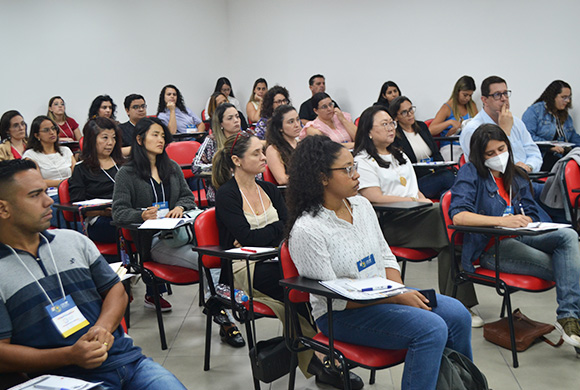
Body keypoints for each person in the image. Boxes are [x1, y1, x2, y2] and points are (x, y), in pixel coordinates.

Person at [286, 135, 472, 390]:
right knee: (431, 329)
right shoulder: (308, 229)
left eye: (355, 166)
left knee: (458, 314)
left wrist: (400, 291)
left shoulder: (361, 205)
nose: (356, 175)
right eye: (347, 169)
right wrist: (395, 298)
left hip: (383, 297)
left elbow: (385, 254)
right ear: (322, 177)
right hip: (340, 314)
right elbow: (335, 298)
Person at [0, 159, 187, 390]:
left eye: (44, 192)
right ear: (3, 209)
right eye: (34, 195)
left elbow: (116, 290)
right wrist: (70, 355)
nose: (49, 200)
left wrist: (102, 328)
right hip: (65, 378)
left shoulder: (74, 241)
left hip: (127, 361)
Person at [449, 123, 580, 349]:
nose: (498, 156)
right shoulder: (470, 172)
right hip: (492, 248)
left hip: (521, 236)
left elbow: (530, 211)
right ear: (480, 157)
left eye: (501, 149)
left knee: (568, 236)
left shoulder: (516, 174)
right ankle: (570, 321)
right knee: (568, 266)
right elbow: (459, 216)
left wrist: (527, 219)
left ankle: (568, 317)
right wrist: (502, 221)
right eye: (490, 153)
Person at [353, 105, 480, 325]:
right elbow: (373, 197)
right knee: (448, 225)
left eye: (391, 123)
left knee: (450, 240)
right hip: (390, 223)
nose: (391, 128)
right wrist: (414, 201)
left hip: (418, 217)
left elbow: (415, 190)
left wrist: (418, 199)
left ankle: (457, 305)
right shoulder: (362, 161)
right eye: (384, 124)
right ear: (369, 131)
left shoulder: (399, 154)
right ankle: (459, 304)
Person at [213, 132, 323, 380]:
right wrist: (272, 233)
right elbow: (252, 236)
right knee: (294, 284)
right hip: (244, 267)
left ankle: (318, 356)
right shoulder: (227, 194)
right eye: (256, 153)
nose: (264, 157)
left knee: (301, 283)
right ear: (237, 160)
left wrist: (260, 234)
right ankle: (320, 354)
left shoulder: (269, 189)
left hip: (277, 259)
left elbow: (289, 226)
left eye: (263, 151)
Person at [112, 117, 199, 311]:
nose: (161, 140)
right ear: (140, 140)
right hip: (154, 240)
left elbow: (187, 197)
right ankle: (219, 307)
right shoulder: (126, 173)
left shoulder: (172, 167)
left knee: (215, 256)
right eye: (155, 135)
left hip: (181, 234)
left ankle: (218, 306)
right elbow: (118, 212)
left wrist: (180, 208)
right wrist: (140, 216)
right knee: (205, 261)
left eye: (162, 136)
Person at [460, 76, 542, 173]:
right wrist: (504, 132)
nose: (504, 99)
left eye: (505, 93)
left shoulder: (516, 122)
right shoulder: (472, 129)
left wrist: (528, 167)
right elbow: (489, 167)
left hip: (526, 178)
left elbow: (534, 153)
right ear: (485, 100)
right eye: (497, 95)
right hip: (495, 184)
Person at [69, 117, 124, 246]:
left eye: (114, 138)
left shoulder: (124, 165)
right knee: (129, 227)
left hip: (126, 213)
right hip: (99, 219)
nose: (111, 142)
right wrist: (101, 211)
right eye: (105, 138)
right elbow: (78, 206)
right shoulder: (81, 169)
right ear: (92, 140)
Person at [389, 96, 455, 199]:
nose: (410, 114)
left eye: (411, 109)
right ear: (396, 117)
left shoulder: (422, 127)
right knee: (447, 177)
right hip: (417, 181)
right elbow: (405, 166)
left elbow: (436, 153)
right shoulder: (395, 137)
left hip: (435, 174)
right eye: (404, 112)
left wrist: (441, 168)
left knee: (448, 190)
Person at [22, 116, 76, 228]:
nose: (52, 132)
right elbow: (37, 183)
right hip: (50, 195)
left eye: (53, 128)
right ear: (37, 135)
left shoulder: (66, 151)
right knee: (64, 215)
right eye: (46, 130)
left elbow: (76, 175)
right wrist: (63, 183)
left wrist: (68, 183)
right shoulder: (30, 155)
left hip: (73, 191)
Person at [522, 80, 580, 170]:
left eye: (569, 97)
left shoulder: (566, 116)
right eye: (564, 97)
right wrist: (550, 147)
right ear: (553, 96)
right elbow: (527, 137)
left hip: (561, 157)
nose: (567, 101)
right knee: (565, 169)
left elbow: (574, 137)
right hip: (543, 156)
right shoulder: (535, 111)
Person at [192, 103, 242, 204]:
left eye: (237, 116)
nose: (236, 120)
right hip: (219, 194)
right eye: (230, 118)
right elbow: (196, 167)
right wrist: (221, 168)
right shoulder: (211, 141)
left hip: (246, 193)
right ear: (221, 123)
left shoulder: (247, 140)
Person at [429, 76, 478, 162]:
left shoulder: (472, 105)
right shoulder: (447, 107)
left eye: (470, 95)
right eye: (465, 95)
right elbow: (431, 130)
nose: (467, 98)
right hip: (450, 147)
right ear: (457, 92)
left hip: (467, 146)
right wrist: (449, 122)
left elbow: (478, 126)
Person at [265, 105, 301, 185]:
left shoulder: (302, 144)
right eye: (291, 122)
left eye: (297, 119)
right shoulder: (273, 149)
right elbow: (282, 179)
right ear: (280, 128)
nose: (297, 125)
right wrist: (309, 178)